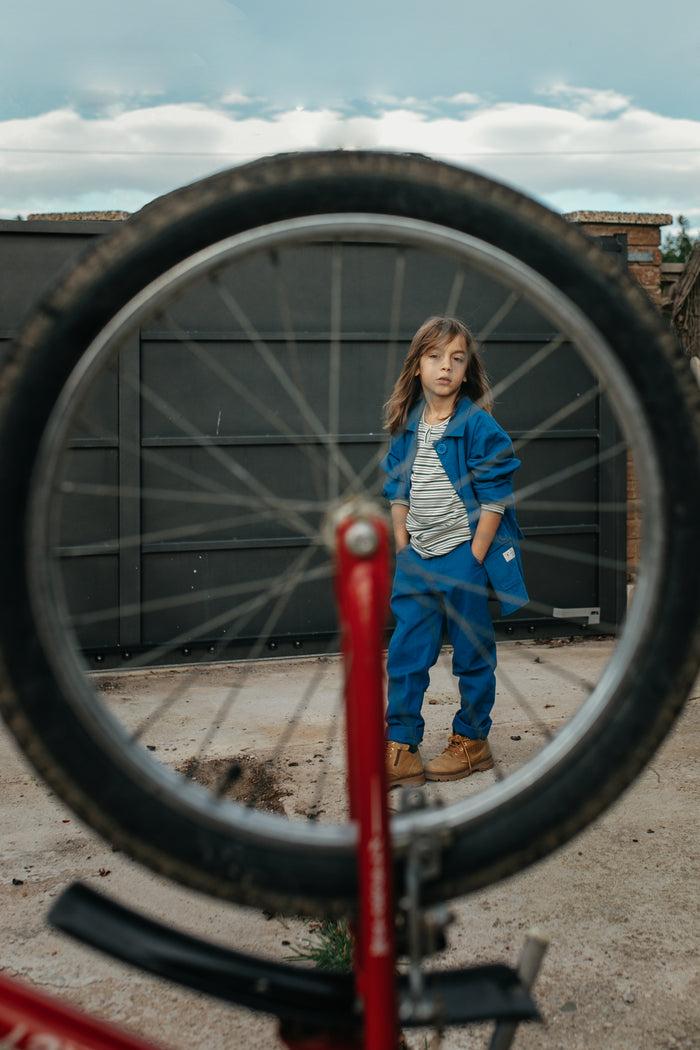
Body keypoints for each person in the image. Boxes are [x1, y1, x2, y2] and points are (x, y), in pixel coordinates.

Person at [380, 316, 529, 788]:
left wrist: (476, 554)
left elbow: (495, 496)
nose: (445, 367)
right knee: (406, 651)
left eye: (456, 358)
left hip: (463, 555)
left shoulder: (478, 425)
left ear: (466, 371)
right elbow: (396, 490)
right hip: (417, 558)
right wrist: (402, 544)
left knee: (471, 651)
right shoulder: (406, 428)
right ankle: (401, 746)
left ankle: (472, 742)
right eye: (435, 356)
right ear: (417, 366)